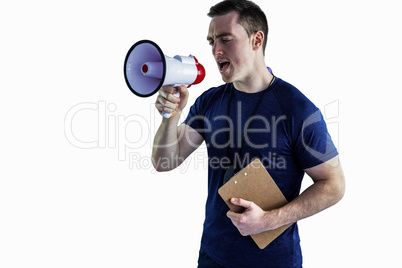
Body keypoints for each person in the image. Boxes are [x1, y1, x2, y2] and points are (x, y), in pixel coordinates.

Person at [152, 0, 345, 267]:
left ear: (257, 40)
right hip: (212, 256)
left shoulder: (297, 109)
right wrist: (170, 117)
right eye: (211, 41)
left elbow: (334, 185)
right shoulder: (210, 101)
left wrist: (268, 220)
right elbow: (165, 161)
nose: (215, 50)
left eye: (225, 39)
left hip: (274, 261)